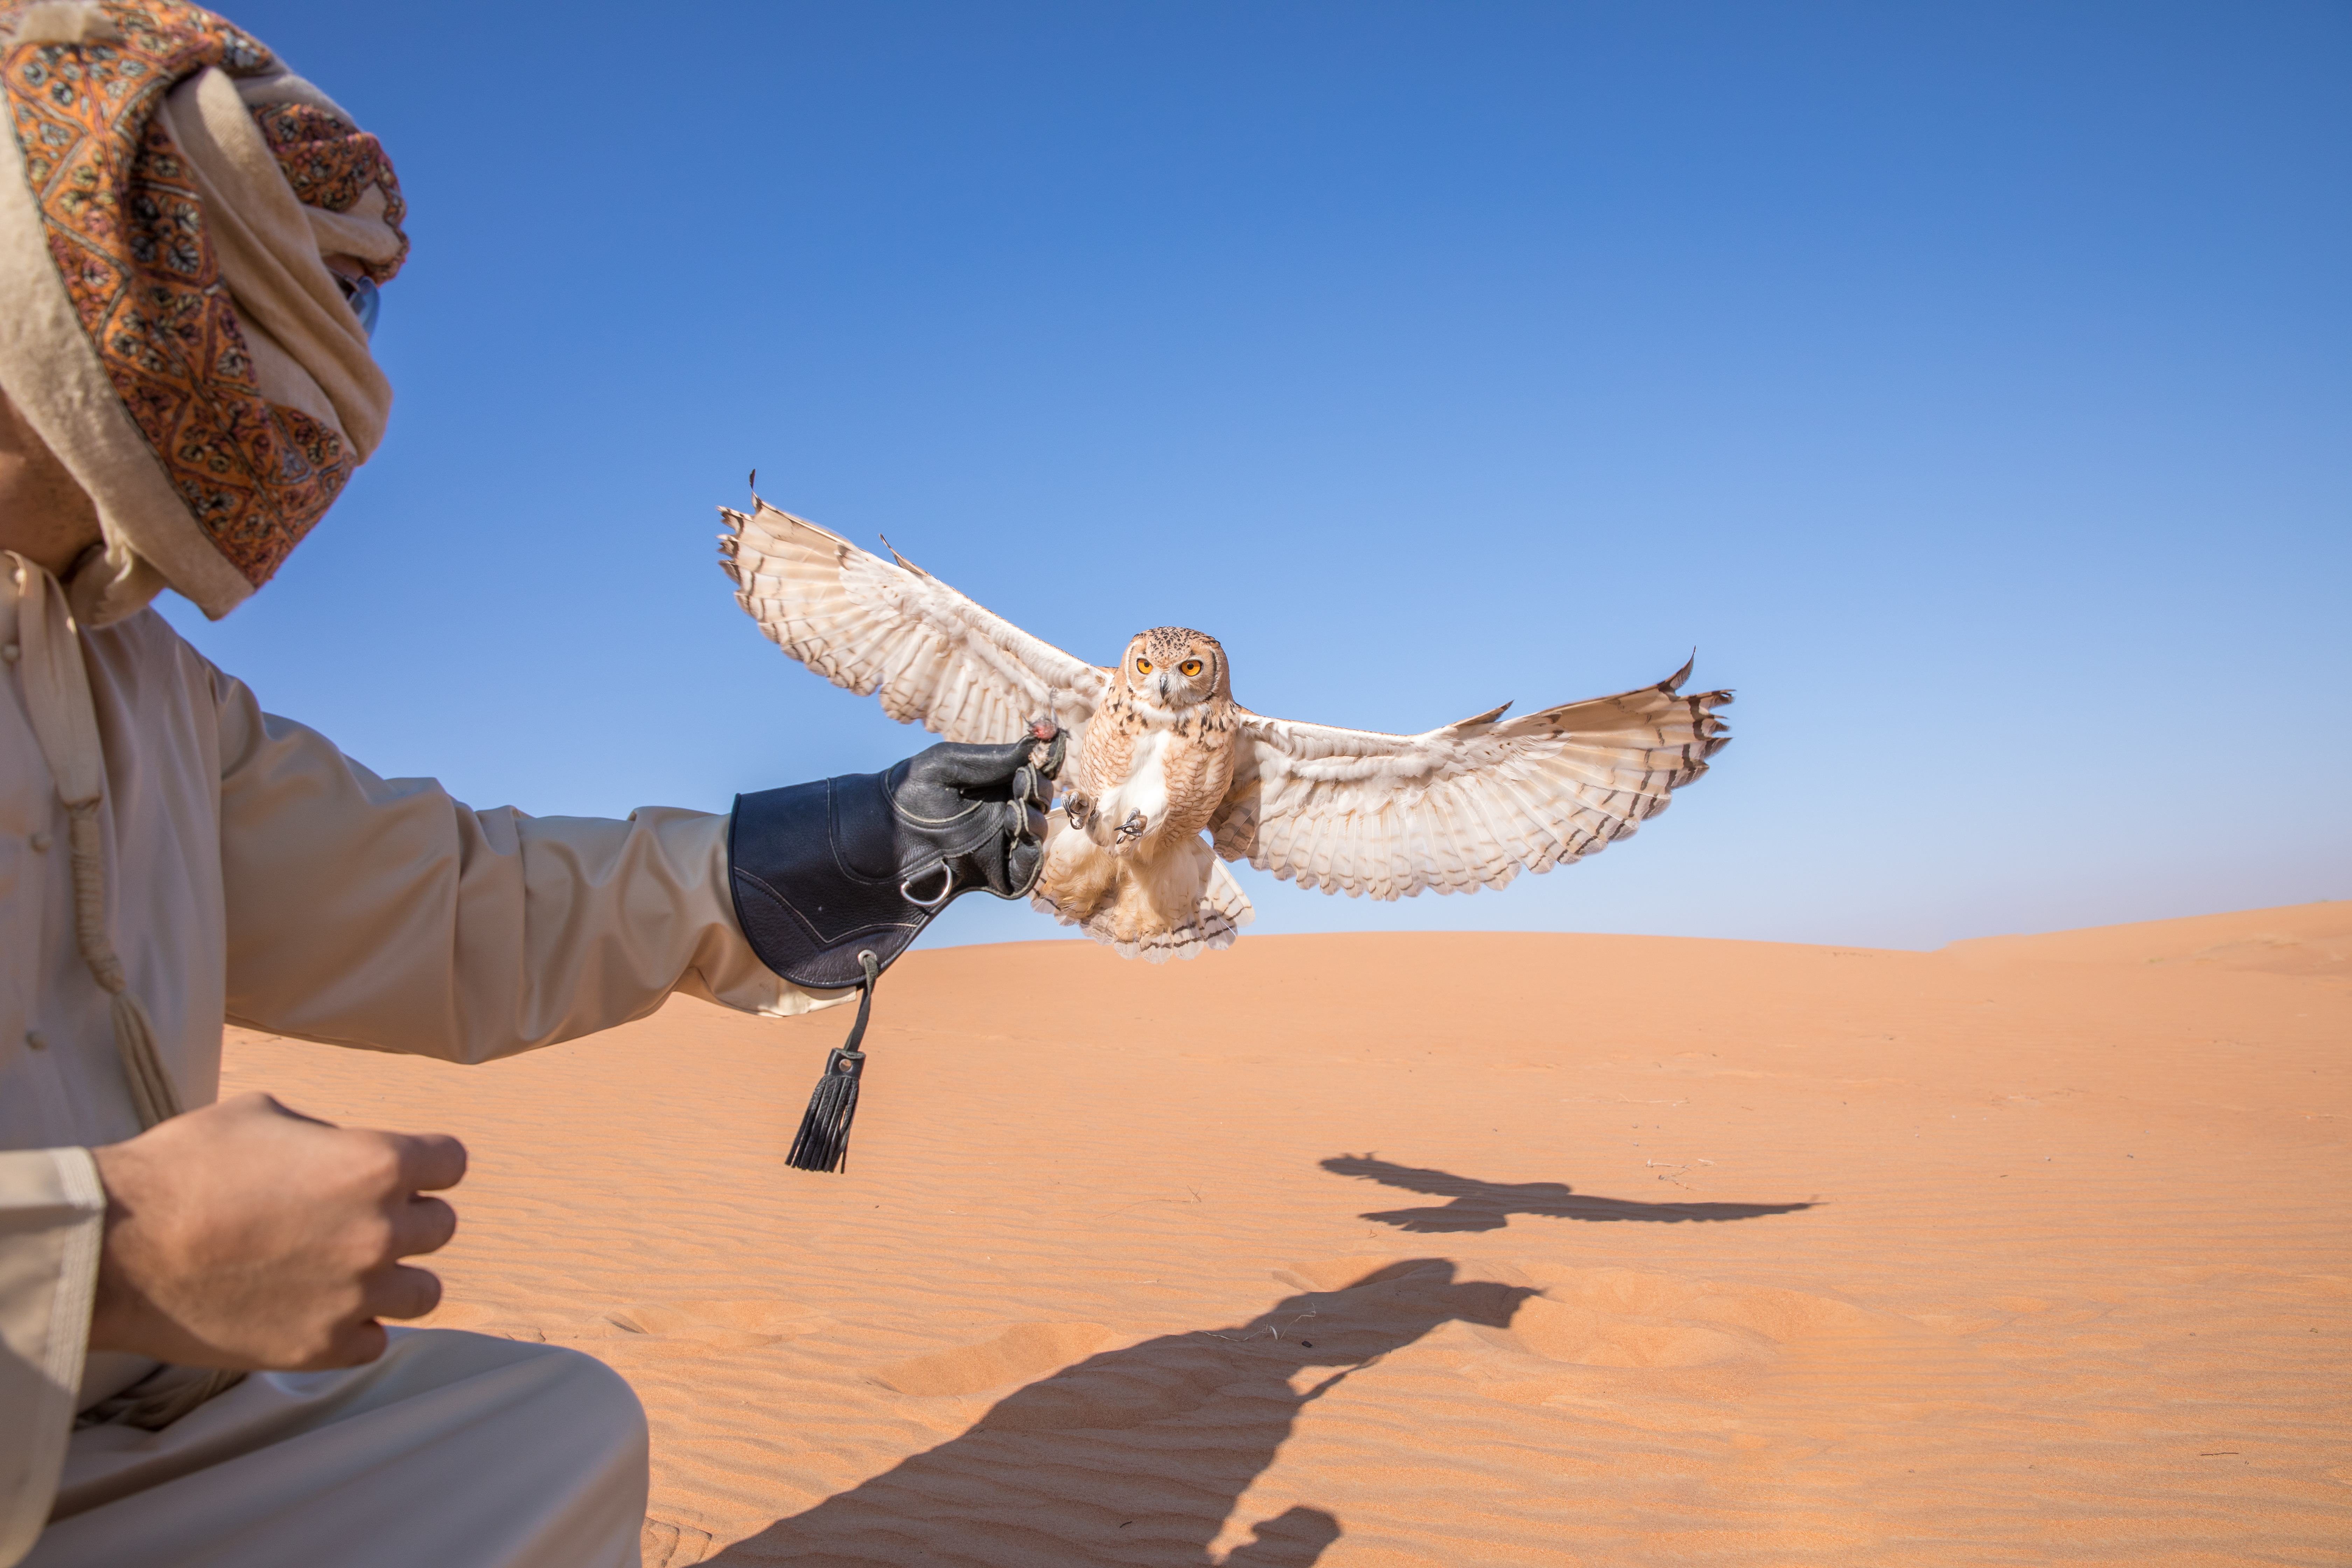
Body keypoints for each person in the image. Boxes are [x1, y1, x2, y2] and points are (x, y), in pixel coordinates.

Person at [0, 5, 1047, 1563]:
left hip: (94, 1432)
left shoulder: (132, 681)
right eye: (301, 281)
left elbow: (450, 898)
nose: (341, 367)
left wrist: (866, 842)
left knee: (532, 1439)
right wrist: (105, 1257)